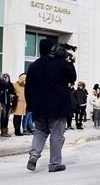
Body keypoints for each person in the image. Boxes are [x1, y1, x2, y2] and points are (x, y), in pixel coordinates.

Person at [25, 39, 77, 172]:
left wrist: (30, 106)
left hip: (39, 108)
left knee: (40, 132)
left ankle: (34, 155)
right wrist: (70, 62)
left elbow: (28, 89)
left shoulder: (33, 66)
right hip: (58, 107)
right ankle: (54, 164)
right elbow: (72, 77)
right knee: (56, 135)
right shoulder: (60, 63)